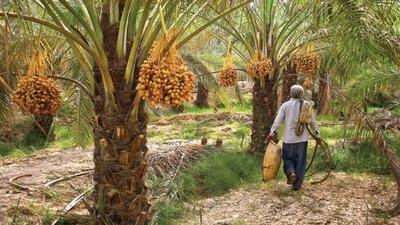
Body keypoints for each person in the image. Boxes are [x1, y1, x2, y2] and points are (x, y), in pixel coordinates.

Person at [266, 84, 321, 191]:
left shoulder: (285, 105)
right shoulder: (307, 105)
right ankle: (297, 186)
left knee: (287, 159)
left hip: (289, 139)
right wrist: (317, 135)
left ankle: (291, 172)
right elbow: (313, 122)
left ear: (291, 94)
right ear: (301, 94)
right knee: (300, 161)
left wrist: (272, 133)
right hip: (302, 140)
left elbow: (277, 121)